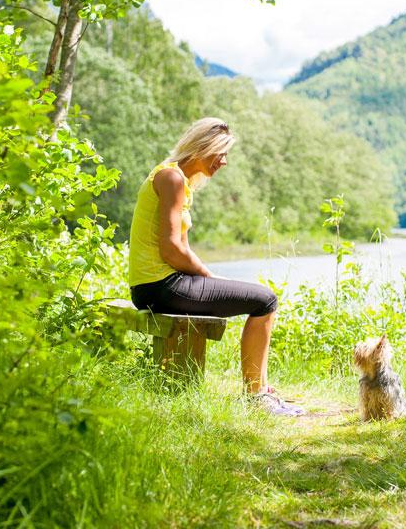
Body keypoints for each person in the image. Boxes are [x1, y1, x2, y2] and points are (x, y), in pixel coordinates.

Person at [128, 117, 302, 416]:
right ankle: (256, 395)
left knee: (260, 298)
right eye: (220, 153)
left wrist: (205, 278)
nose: (224, 162)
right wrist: (208, 276)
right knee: (266, 300)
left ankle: (260, 388)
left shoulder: (178, 181)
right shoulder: (171, 179)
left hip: (154, 286)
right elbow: (171, 249)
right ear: (201, 148)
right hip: (161, 286)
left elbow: (181, 248)